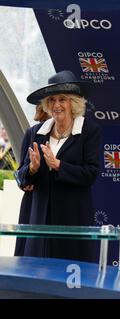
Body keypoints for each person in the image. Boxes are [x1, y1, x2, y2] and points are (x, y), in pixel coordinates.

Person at [16, 70, 102, 262]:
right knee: (35, 275)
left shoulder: (89, 131)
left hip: (72, 217)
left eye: (62, 99)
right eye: (52, 100)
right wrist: (32, 169)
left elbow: (90, 174)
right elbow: (20, 178)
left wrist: (58, 165)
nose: (56, 105)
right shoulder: (34, 133)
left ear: (74, 103)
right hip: (37, 216)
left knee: (69, 275)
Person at [14, 104, 51, 256]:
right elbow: (20, 174)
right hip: (34, 206)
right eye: (51, 101)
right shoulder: (32, 133)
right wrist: (29, 173)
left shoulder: (81, 134)